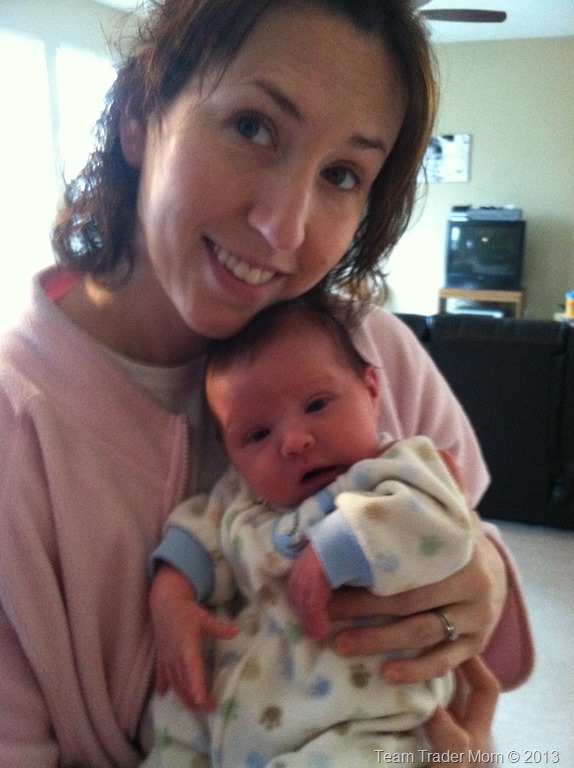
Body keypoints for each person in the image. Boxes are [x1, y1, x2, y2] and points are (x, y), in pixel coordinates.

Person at [0, 1, 533, 766]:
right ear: (141, 115)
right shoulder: (17, 428)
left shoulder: (372, 351)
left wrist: (481, 582)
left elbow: (482, 669)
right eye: (252, 127)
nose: (284, 226)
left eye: (342, 174)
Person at [144, 296, 481, 767]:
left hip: (362, 722)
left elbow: (442, 525)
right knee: (171, 718)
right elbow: (195, 535)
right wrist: (170, 599)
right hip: (230, 713)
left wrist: (337, 549)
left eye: (318, 405)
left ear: (372, 390)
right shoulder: (240, 499)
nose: (294, 441)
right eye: (257, 435)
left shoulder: (399, 470)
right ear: (228, 450)